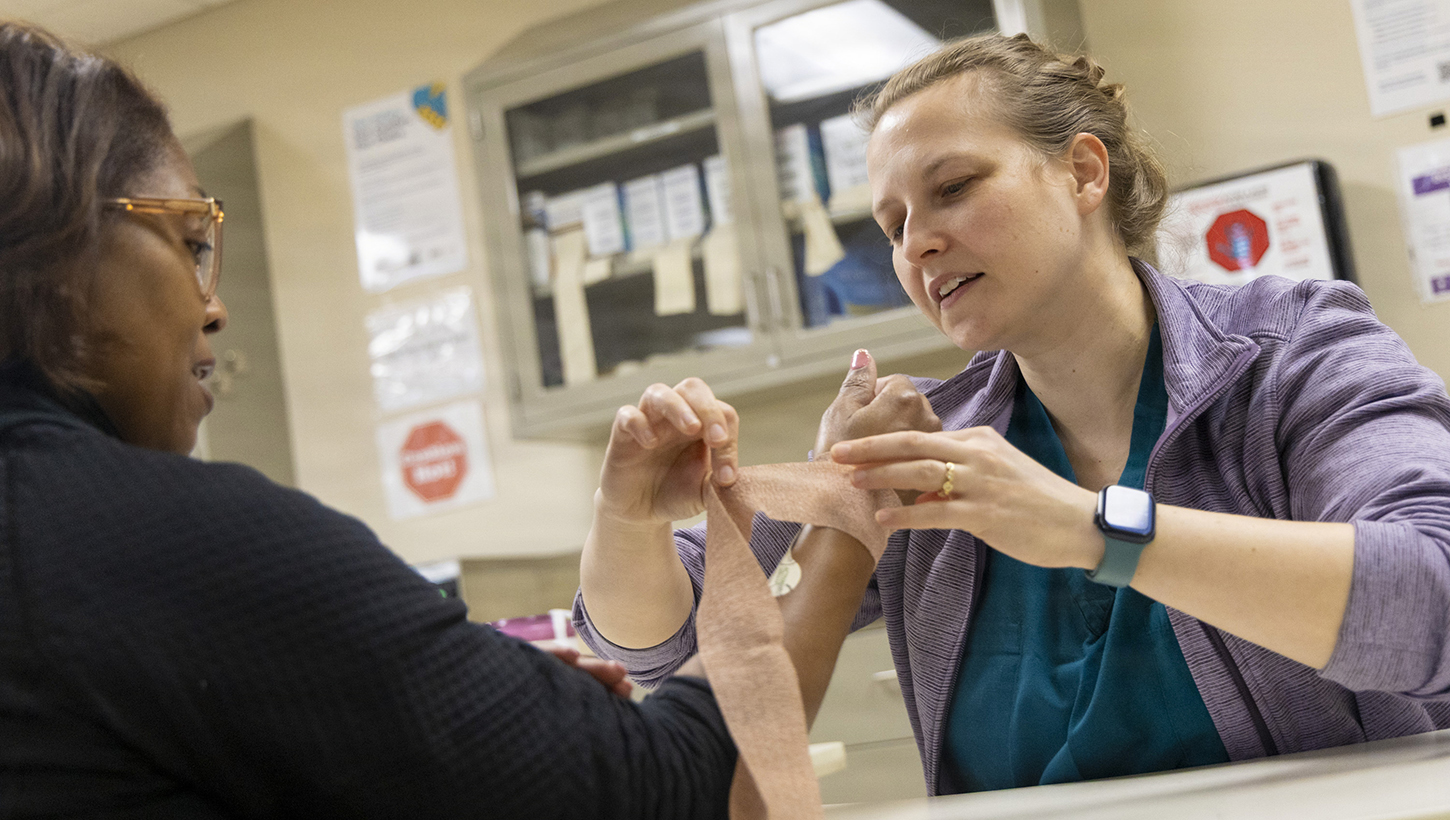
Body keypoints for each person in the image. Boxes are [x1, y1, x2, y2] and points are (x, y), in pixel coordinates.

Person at [0, 22, 877, 818]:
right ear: (56, 248)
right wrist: (840, 519)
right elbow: (676, 785)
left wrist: (472, 730)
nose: (214, 306)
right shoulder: (164, 546)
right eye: (190, 239)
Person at [576, 32, 1450, 796]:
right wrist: (629, 515)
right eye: (892, 223)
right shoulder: (927, 436)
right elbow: (663, 646)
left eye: (952, 187)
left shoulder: (1292, 354)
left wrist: (1092, 529)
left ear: (1082, 171)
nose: (914, 241)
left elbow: (1433, 596)